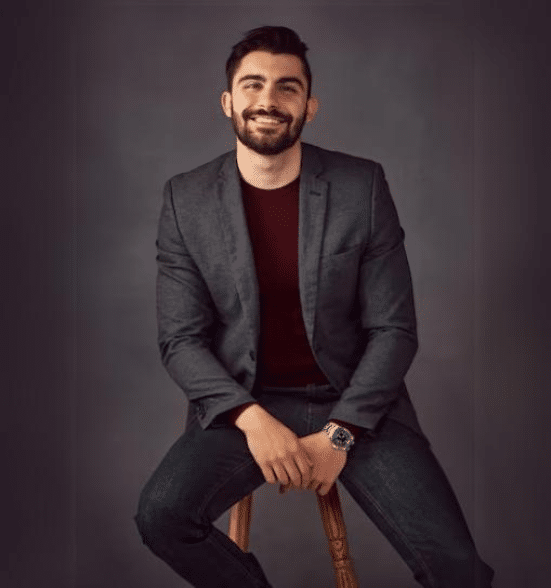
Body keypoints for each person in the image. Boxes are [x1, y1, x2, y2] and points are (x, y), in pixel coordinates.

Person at [134, 26, 494, 587]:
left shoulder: (361, 185)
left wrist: (341, 433)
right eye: (253, 85)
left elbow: (394, 329)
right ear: (229, 101)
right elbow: (181, 340)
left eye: (287, 87)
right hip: (244, 407)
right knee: (162, 516)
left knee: (457, 569)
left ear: (310, 106)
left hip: (357, 405)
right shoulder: (186, 199)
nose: (268, 100)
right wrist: (255, 423)